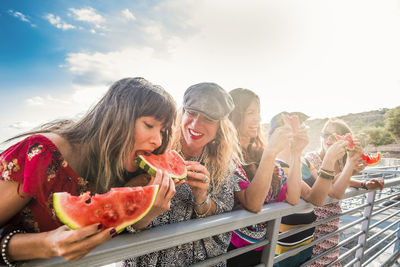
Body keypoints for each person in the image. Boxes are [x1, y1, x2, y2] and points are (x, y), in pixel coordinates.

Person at [0, 77, 177, 265]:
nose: (157, 141)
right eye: (149, 125)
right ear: (117, 118)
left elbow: (112, 230)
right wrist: (44, 244)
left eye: (163, 131)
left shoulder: (121, 166)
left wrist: (147, 212)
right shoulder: (41, 154)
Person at [124, 82, 242, 267]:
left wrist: (202, 198)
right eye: (192, 113)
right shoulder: (153, 147)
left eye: (208, 119)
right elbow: (123, 214)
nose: (196, 124)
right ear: (182, 113)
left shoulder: (225, 165)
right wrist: (147, 203)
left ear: (220, 127)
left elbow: (223, 215)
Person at [227, 88, 348, 267]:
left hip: (263, 249)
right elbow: (253, 203)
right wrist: (270, 152)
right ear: (234, 115)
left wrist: (296, 152)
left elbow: (292, 196)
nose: (258, 119)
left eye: (259, 113)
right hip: (235, 250)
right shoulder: (228, 156)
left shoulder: (261, 155)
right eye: (250, 112)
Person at [305, 118, 384, 267]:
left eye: (335, 136)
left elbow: (336, 180)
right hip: (316, 227)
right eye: (325, 134)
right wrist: (351, 164)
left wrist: (364, 184)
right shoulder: (312, 158)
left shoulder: (340, 162)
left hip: (333, 225)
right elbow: (334, 192)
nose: (328, 139)